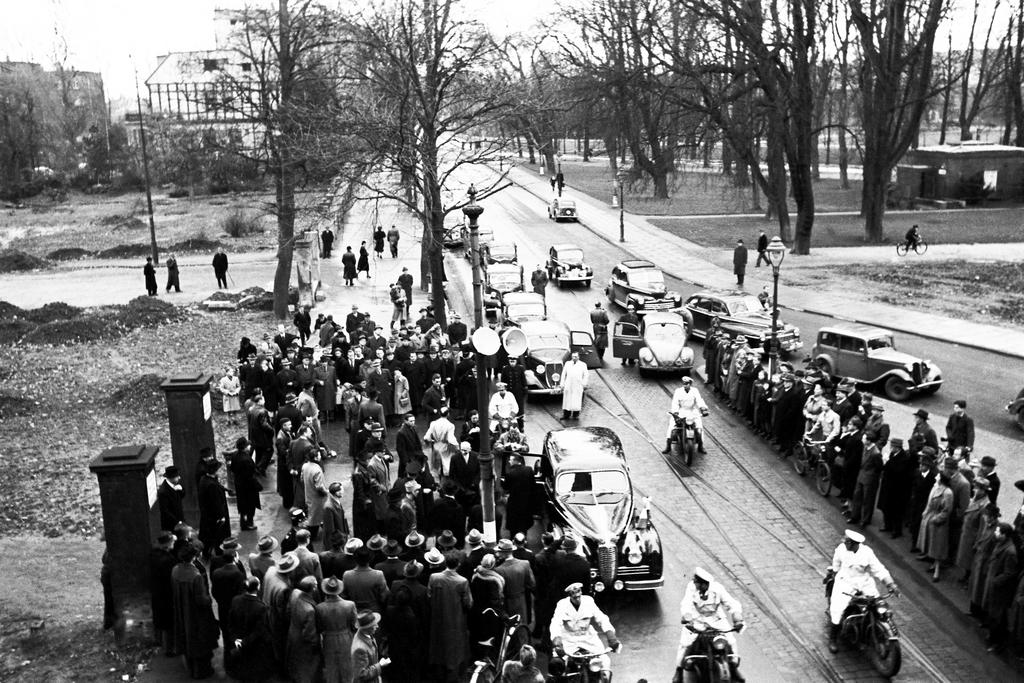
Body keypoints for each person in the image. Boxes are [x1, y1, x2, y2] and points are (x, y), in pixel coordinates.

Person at [825, 530, 898, 653]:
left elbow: (879, 569)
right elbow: (836, 565)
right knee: (837, 609)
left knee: (877, 605)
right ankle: (833, 638)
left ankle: (873, 629)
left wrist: (891, 584)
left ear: (854, 544)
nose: (844, 543)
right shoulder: (841, 549)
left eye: (847, 542)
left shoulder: (867, 552)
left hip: (864, 583)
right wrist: (834, 573)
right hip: (845, 582)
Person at [673, 567, 745, 683]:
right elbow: (686, 604)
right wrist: (687, 618)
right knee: (685, 644)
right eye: (695, 582)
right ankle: (679, 670)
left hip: (716, 619)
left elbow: (731, 603)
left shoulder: (717, 589)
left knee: (731, 641)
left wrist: (738, 619)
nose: (696, 585)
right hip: (697, 620)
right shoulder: (691, 588)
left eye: (698, 583)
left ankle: (733, 666)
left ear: (705, 584)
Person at [170, 542, 220, 679]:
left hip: (182, 610)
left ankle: (190, 667)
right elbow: (201, 600)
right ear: (193, 557)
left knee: (186, 638)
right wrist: (209, 600)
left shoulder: (175, 570)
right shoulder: (195, 575)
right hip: (195, 615)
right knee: (199, 642)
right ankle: (201, 672)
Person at [550, 583, 620, 675]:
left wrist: (611, 636)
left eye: (579, 594)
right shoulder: (562, 604)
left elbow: (602, 618)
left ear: (581, 592)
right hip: (569, 640)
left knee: (605, 661)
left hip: (588, 637)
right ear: (569, 596)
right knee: (559, 666)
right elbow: (555, 623)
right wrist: (557, 641)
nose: (577, 598)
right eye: (574, 596)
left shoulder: (589, 601)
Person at [428, 552, 472, 682]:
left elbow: (429, 596)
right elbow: (468, 603)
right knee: (454, 648)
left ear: (445, 563)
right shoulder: (462, 581)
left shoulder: (434, 577)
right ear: (458, 565)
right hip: (455, 619)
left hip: (438, 618)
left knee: (438, 645)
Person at [317, 576, 357, 683]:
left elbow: (320, 627)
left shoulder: (320, 607)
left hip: (328, 639)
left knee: (331, 668)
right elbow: (354, 625)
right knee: (347, 667)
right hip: (346, 637)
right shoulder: (349, 605)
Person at [286, 575, 322, 682]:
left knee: (296, 662)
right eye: (315, 584)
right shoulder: (309, 610)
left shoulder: (295, 592)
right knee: (306, 668)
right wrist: (316, 644)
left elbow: (288, 611)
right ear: (313, 588)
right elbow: (309, 634)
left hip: (293, 632)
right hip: (303, 642)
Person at [664, 376, 709, 454]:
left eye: (687, 384)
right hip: (681, 412)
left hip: (692, 411)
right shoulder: (678, 391)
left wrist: (703, 408)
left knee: (699, 426)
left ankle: (700, 446)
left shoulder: (695, 391)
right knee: (672, 426)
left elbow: (699, 400)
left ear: (690, 384)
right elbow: (675, 403)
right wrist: (675, 412)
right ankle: (668, 446)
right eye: (684, 383)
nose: (685, 385)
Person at [198, 460, 231, 560]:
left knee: (208, 535)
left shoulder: (204, 479)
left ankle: (207, 552)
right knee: (217, 536)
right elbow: (216, 503)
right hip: (214, 516)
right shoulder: (212, 485)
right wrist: (221, 516)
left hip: (207, 515)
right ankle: (218, 553)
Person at [352, 610, 390, 682]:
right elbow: (362, 675)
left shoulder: (367, 635)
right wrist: (380, 665)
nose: (377, 626)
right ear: (367, 627)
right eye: (374, 625)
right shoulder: (359, 649)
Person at [559, 351, 589, 420]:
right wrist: (562, 384)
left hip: (578, 385)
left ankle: (575, 415)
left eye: (576, 357)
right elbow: (564, 374)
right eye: (573, 357)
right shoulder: (567, 364)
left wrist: (584, 383)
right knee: (567, 400)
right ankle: (566, 414)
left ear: (578, 357)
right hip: (568, 384)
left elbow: (586, 375)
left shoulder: (583, 364)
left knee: (576, 400)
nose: (574, 358)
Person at [158, 466, 185, 532]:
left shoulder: (175, 484)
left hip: (179, 519)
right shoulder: (163, 492)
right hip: (171, 524)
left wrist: (181, 489)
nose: (179, 478)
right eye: (177, 476)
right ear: (171, 478)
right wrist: (178, 522)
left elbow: (182, 495)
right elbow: (165, 511)